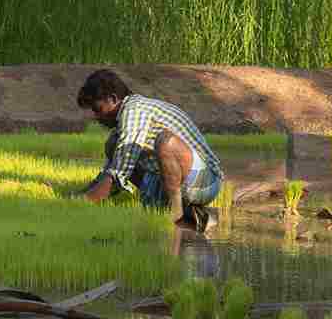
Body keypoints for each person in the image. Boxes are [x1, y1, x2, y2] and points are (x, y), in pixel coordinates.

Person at [75, 69, 223, 232]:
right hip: (178, 182)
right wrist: (76, 197)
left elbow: (117, 174)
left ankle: (178, 218)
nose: (96, 117)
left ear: (113, 99)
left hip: (206, 181)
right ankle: (192, 216)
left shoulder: (134, 111)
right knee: (113, 144)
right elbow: (111, 171)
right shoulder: (125, 119)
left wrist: (79, 205)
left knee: (165, 142)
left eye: (98, 109)